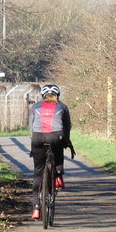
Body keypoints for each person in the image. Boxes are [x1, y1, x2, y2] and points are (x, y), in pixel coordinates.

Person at [28, 83, 72, 220]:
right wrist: (66, 140)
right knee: (58, 149)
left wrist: (34, 142)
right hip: (56, 136)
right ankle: (58, 176)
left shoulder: (35, 107)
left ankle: (36, 209)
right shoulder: (62, 107)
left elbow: (31, 126)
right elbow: (67, 126)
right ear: (57, 95)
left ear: (43, 95)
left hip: (37, 137)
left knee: (38, 172)